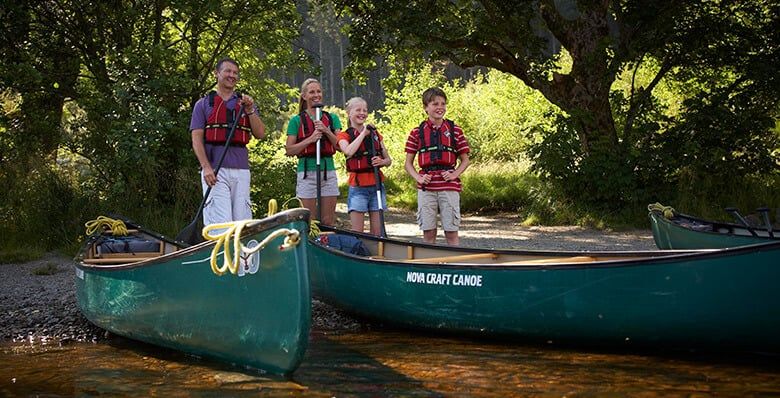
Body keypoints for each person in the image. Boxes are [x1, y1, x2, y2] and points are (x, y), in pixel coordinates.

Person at [189, 57, 266, 225]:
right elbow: (196, 139)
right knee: (220, 222)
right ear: (217, 73)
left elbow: (260, 133)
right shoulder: (203, 104)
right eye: (228, 71)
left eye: (235, 73)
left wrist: (250, 110)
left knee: (243, 223)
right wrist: (206, 167)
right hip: (215, 171)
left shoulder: (245, 103)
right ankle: (221, 251)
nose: (232, 75)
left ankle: (244, 252)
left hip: (241, 170)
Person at [404, 87, 470, 245]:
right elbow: (408, 164)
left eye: (443, 103)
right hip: (427, 188)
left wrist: (455, 174)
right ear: (426, 107)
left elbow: (465, 159)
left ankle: (454, 266)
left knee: (451, 231)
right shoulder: (416, 132)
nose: (440, 107)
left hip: (449, 187)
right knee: (428, 231)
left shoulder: (455, 130)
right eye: (435, 104)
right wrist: (418, 177)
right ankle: (429, 265)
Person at [285, 78, 341, 226]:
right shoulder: (296, 121)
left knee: (328, 221)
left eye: (318, 91)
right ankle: (309, 246)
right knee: (309, 222)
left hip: (327, 171)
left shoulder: (332, 118)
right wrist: (310, 140)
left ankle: (326, 245)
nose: (316, 95)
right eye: (311, 92)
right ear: (304, 96)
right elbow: (289, 150)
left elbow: (341, 146)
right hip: (306, 173)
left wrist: (326, 130)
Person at [337, 97, 392, 236]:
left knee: (377, 231)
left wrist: (382, 161)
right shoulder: (344, 135)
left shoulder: (375, 134)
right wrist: (363, 134)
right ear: (349, 113)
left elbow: (388, 160)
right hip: (358, 187)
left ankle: (377, 255)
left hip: (377, 186)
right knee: (358, 231)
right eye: (358, 110)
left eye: (365, 110)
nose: (362, 113)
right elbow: (348, 151)